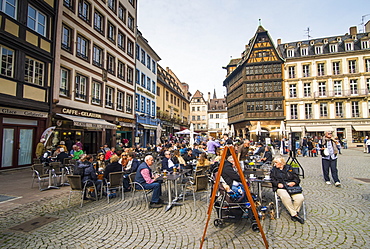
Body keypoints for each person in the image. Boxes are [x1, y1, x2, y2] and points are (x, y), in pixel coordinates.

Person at [271, 156, 305, 224]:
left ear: (281, 163)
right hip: (281, 188)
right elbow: (272, 180)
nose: (275, 164)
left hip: (292, 187)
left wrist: (294, 182)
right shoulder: (274, 170)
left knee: (300, 198)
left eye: (276, 162)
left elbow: (297, 178)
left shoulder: (289, 168)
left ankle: (294, 214)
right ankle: (295, 215)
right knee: (286, 197)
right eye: (274, 163)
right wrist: (278, 184)